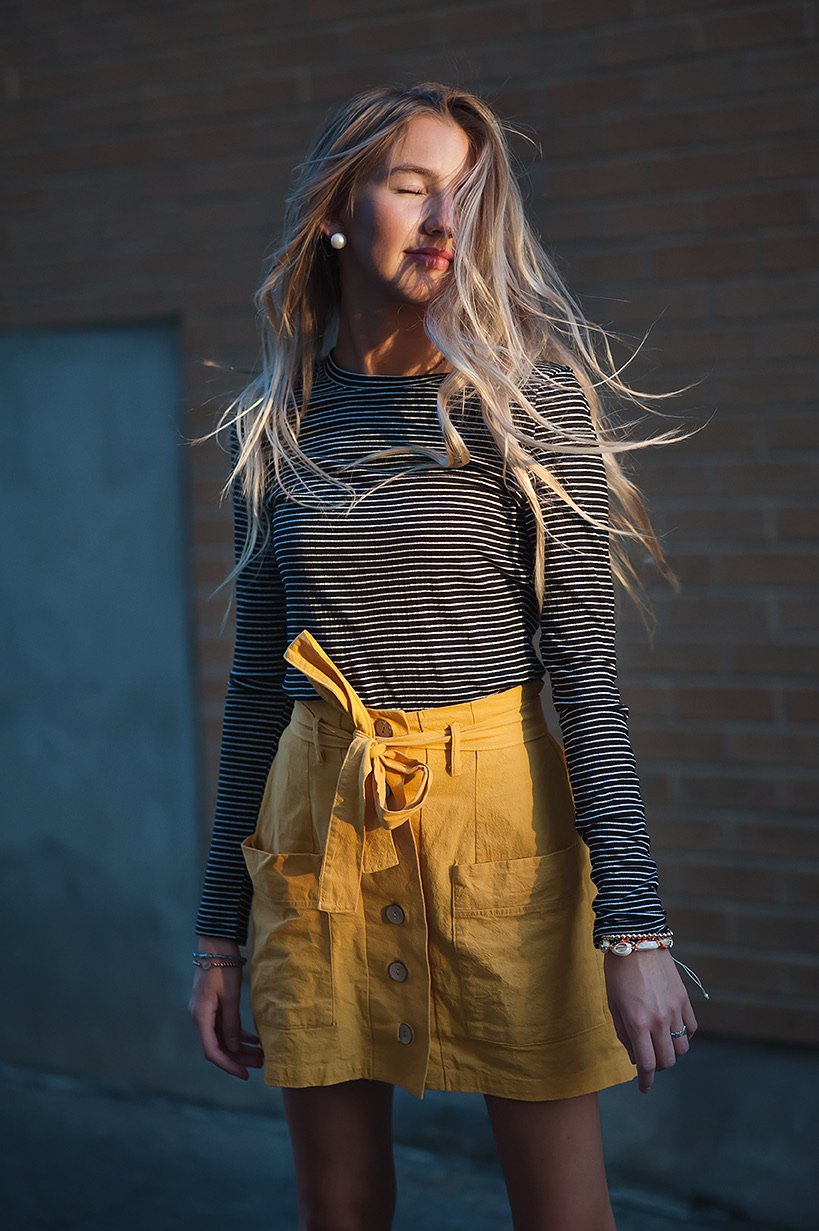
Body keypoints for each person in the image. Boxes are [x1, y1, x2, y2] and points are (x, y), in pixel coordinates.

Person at [188, 81, 708, 1231]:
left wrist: (636, 929)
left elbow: (585, 674)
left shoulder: (527, 410)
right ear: (338, 209)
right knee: (341, 1210)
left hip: (504, 836)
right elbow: (254, 687)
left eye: (467, 198)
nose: (443, 224)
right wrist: (219, 928)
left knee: (563, 1214)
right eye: (413, 187)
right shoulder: (270, 427)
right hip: (317, 827)